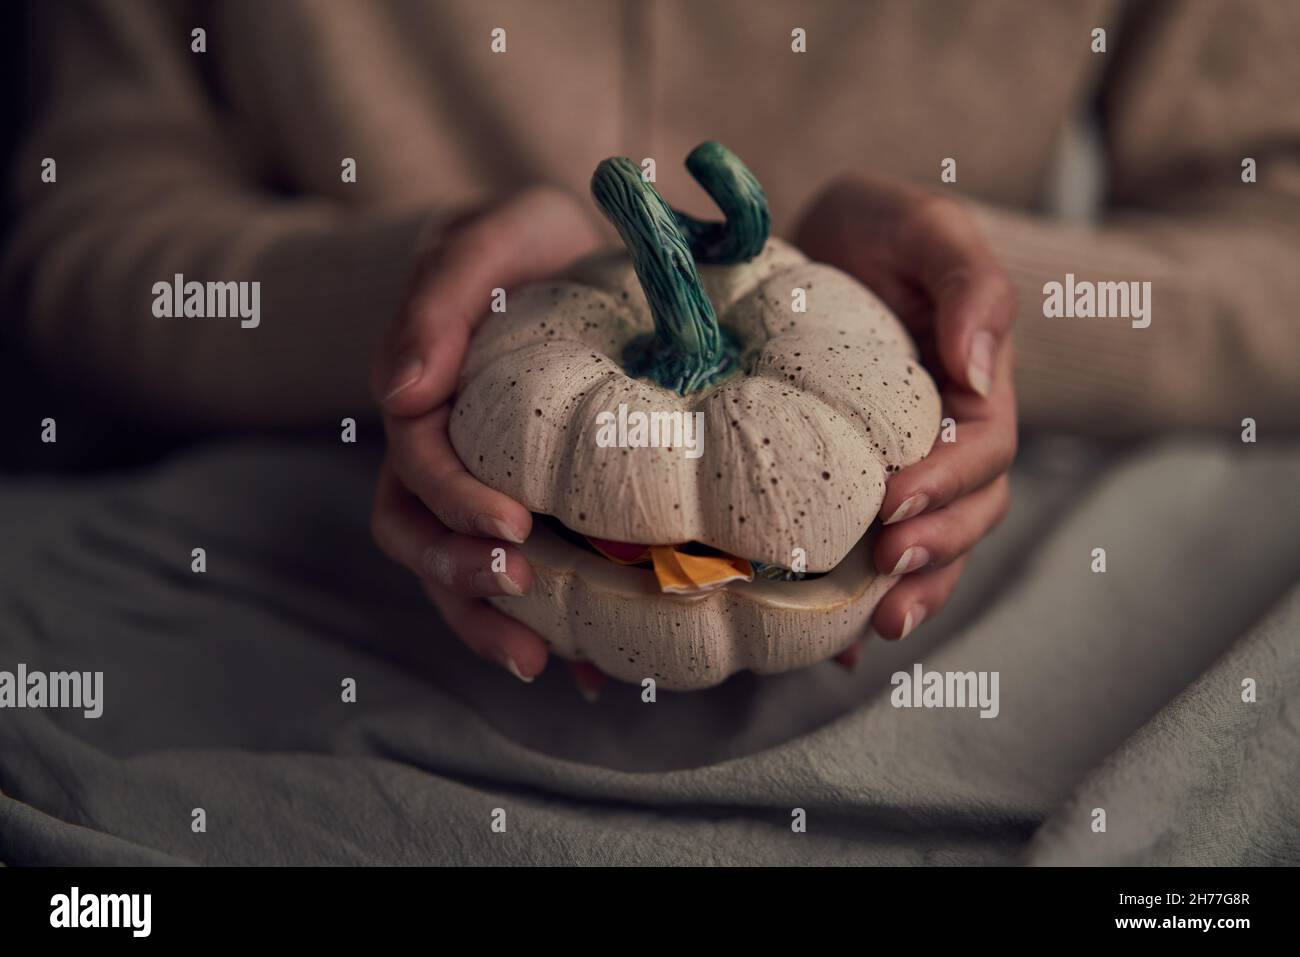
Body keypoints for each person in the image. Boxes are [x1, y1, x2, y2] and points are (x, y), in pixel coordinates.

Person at [5, 1, 1298, 689]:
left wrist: (966, 313)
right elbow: (82, 227)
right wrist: (404, 294)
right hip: (296, 577)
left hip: (960, 609)